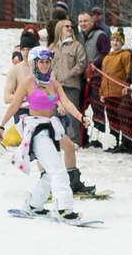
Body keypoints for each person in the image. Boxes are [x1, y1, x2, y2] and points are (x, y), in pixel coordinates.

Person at [10, 46, 86, 221]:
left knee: (51, 172)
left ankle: (33, 204)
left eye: (47, 62)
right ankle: (64, 210)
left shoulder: (53, 83)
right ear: (34, 64)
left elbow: (65, 102)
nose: (44, 65)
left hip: (51, 128)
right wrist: (1, 127)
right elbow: (13, 104)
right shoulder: (28, 83)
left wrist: (80, 116)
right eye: (41, 62)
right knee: (59, 171)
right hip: (37, 130)